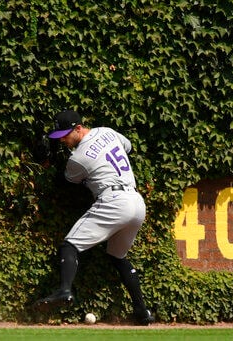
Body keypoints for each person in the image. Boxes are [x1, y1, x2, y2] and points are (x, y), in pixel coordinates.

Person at [34, 110, 154, 325]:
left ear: (78, 128)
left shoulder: (78, 158)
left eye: (65, 135)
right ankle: (142, 312)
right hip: (136, 202)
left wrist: (47, 163)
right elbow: (128, 147)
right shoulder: (107, 131)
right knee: (117, 256)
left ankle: (64, 290)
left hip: (113, 200)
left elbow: (65, 182)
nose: (62, 140)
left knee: (69, 245)